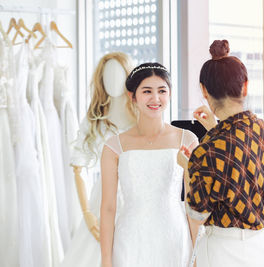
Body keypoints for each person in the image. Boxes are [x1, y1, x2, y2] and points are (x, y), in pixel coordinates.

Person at [177, 40, 264, 267]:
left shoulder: (206, 150)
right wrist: (214, 128)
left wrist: (188, 167)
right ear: (245, 86)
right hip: (261, 247)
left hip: (223, 251)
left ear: (204, 91)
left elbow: (197, 214)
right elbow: (243, 163)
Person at [100, 62, 198, 267]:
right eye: (147, 91)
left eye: (162, 91)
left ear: (169, 94)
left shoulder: (187, 140)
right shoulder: (113, 146)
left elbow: (193, 204)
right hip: (130, 241)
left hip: (174, 239)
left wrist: (198, 254)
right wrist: (106, 260)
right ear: (132, 96)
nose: (155, 98)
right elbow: (108, 208)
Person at [60, 52, 135, 267]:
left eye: (118, 74)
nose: (112, 81)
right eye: (107, 75)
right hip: (102, 199)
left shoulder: (142, 115)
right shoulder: (95, 118)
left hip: (136, 199)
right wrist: (87, 213)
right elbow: (78, 166)